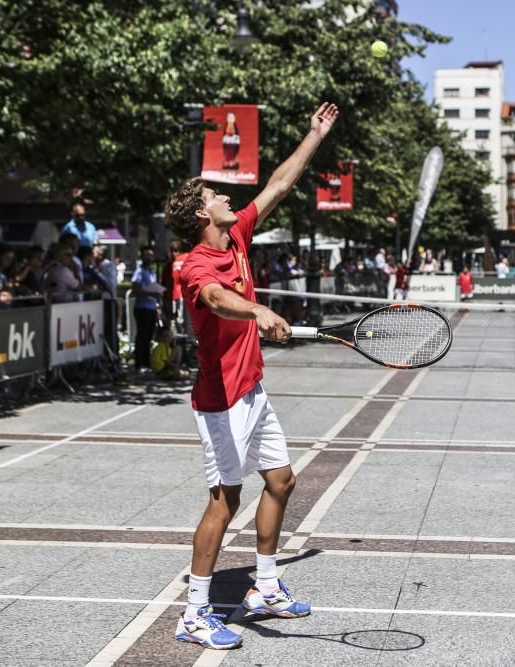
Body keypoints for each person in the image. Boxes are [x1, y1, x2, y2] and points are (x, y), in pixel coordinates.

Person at [163, 102, 337, 650]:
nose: (225, 196)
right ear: (199, 214)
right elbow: (215, 299)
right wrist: (257, 311)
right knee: (224, 501)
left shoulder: (236, 235)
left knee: (282, 481)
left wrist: (314, 136)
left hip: (253, 388)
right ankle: (194, 613)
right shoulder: (193, 264)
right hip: (221, 399)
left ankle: (263, 587)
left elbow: (280, 184)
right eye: (214, 195)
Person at [130, 246, 162, 372]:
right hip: (142, 308)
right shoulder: (139, 271)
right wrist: (150, 294)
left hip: (152, 307)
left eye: (151, 255)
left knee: (149, 336)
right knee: (142, 336)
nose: (149, 258)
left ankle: (146, 362)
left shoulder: (152, 272)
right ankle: (139, 363)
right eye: (147, 255)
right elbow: (135, 288)